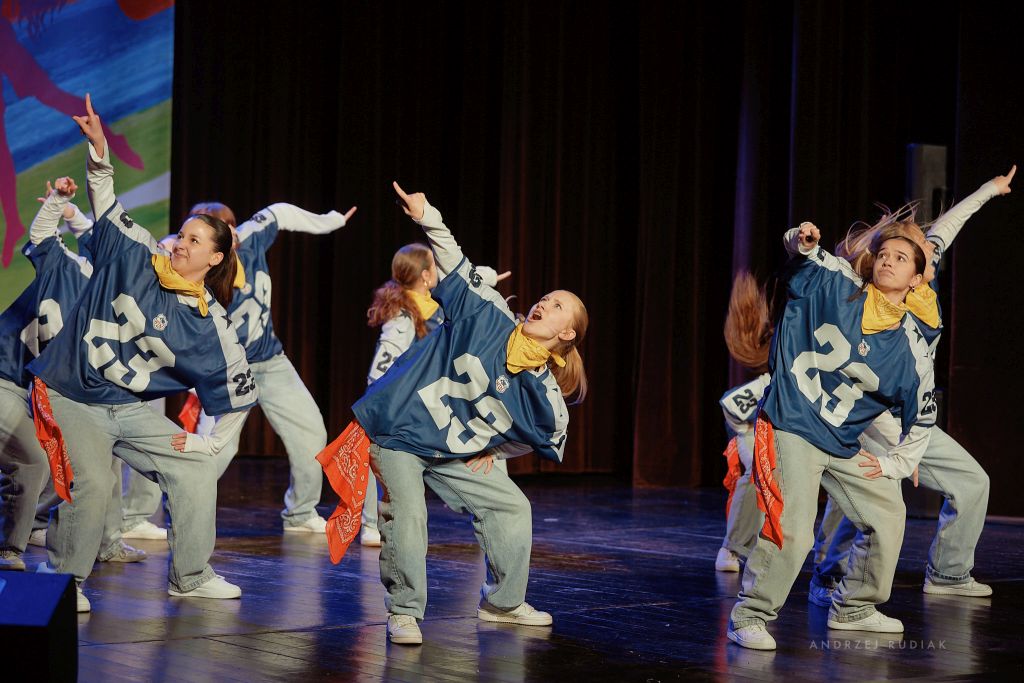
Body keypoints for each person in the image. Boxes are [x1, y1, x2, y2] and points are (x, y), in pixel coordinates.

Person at [329, 181, 587, 646]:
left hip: (450, 450)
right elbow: (455, 260)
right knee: (408, 514)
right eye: (546, 297)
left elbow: (546, 433)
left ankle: (502, 603)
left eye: (557, 306)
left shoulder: (544, 391)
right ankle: (404, 611)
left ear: (566, 333)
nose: (544, 304)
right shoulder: (487, 314)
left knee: (511, 506)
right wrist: (428, 216)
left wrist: (496, 452)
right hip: (400, 433)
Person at [27, 95, 256, 612]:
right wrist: (99, 152)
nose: (180, 244)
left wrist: (211, 447)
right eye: (182, 235)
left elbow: (239, 392)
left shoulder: (211, 322)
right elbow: (106, 201)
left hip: (125, 407)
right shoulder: (138, 251)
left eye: (194, 241)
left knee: (194, 472)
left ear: (215, 257)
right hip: (71, 392)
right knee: (91, 484)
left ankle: (190, 577)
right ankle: (64, 582)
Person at [727, 216, 937, 650]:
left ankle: (854, 607)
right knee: (795, 529)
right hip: (792, 423)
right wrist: (800, 239)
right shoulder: (837, 281)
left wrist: (898, 463)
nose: (888, 261)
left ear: (916, 280)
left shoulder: (912, 348)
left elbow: (922, 416)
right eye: (883, 254)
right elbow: (801, 251)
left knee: (888, 513)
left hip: (843, 441)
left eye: (900, 258)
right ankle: (750, 615)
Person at [809, 165, 1015, 604]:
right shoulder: (877, 302)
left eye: (920, 252)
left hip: (911, 417)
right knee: (869, 489)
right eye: (905, 252)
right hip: (870, 414)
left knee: (972, 482)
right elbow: (865, 380)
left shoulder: (922, 284)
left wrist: (990, 189)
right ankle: (829, 575)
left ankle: (948, 573)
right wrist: (898, 449)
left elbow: (947, 226)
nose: (932, 249)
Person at [360, 243, 509, 546]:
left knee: (488, 443)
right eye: (434, 265)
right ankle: (371, 525)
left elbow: (463, 276)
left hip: (438, 398)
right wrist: (381, 408)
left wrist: (490, 276)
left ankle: (496, 519)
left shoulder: (434, 302)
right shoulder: (402, 317)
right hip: (409, 407)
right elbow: (379, 370)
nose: (441, 270)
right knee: (383, 456)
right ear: (427, 276)